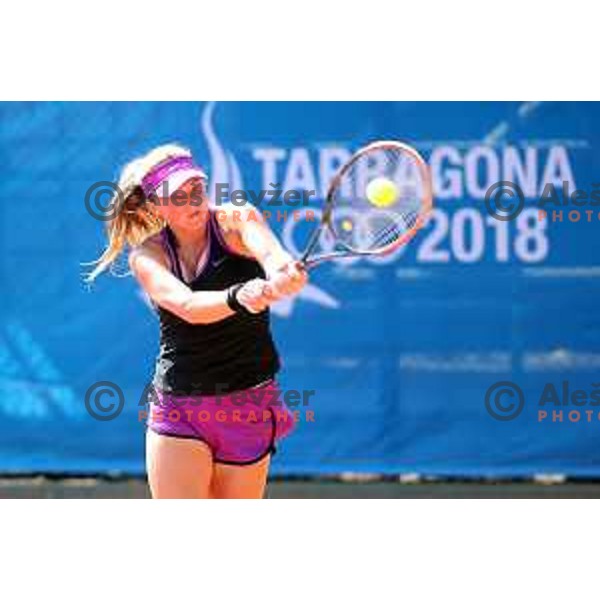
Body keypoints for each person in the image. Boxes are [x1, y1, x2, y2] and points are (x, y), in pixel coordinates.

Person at [87, 143, 307, 498]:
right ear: (157, 205)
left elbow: (270, 252)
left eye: (197, 189)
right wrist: (240, 296)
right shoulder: (148, 255)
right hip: (179, 406)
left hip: (247, 402)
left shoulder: (235, 218)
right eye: (178, 195)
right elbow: (187, 305)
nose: (192, 201)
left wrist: (283, 272)